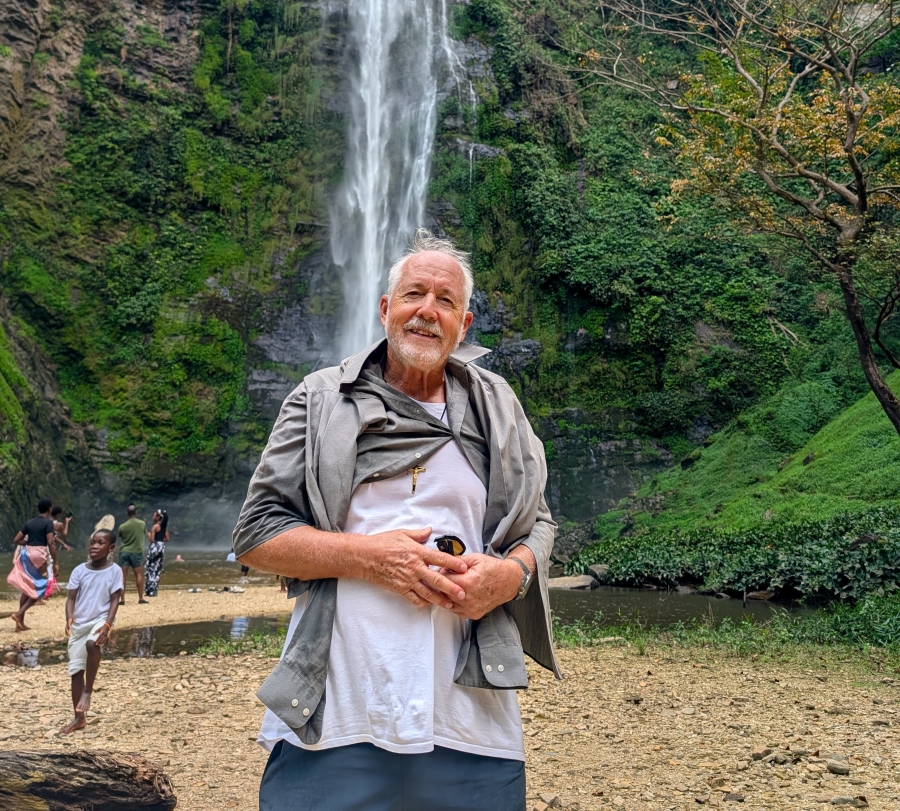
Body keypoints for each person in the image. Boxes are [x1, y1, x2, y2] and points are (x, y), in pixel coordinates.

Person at [234, 230, 558, 811]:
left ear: (464, 324)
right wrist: (370, 557)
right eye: (413, 294)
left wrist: (510, 577)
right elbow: (256, 533)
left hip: (471, 721)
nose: (427, 311)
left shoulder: (498, 407)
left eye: (445, 301)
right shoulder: (319, 399)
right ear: (385, 308)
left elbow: (539, 523)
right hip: (336, 714)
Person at [59, 529, 123, 734]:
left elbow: (115, 600)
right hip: (80, 623)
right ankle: (79, 718)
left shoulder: (115, 571)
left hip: (101, 619)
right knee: (76, 671)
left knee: (92, 643)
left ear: (111, 548)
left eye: (100, 543)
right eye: (92, 542)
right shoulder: (79, 570)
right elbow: (71, 598)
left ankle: (88, 691)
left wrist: (108, 624)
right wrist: (69, 616)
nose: (94, 546)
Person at [8, 498, 57, 631]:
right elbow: (51, 543)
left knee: (26, 588)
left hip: (26, 554)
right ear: (49, 508)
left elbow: (16, 539)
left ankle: (20, 624)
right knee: (41, 587)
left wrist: (28, 543)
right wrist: (56, 563)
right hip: (39, 554)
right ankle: (18, 614)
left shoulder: (29, 522)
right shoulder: (48, 523)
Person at [117, 504, 147, 604]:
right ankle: (141, 598)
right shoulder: (142, 524)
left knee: (122, 576)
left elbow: (121, 537)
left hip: (124, 551)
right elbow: (144, 533)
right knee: (138, 574)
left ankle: (122, 600)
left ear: (127, 513)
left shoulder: (122, 526)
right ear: (136, 512)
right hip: (136, 552)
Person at [144, 509, 169, 597]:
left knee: (150, 568)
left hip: (154, 548)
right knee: (157, 568)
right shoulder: (163, 527)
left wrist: (149, 535)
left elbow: (152, 540)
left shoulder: (155, 527)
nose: (153, 517)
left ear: (158, 517)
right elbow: (167, 539)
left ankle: (149, 590)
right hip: (161, 547)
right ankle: (154, 590)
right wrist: (160, 540)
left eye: (154, 515)